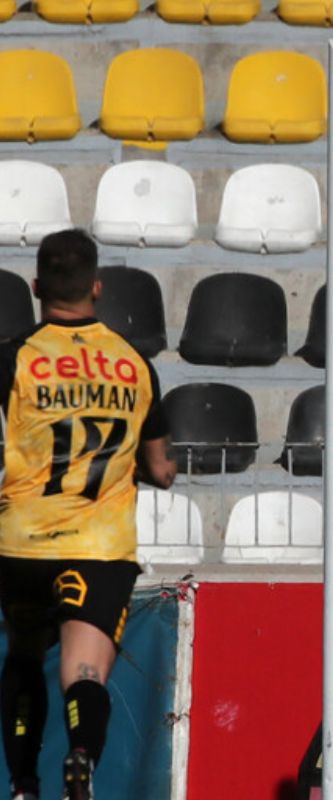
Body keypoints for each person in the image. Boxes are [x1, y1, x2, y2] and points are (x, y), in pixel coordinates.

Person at [0, 228, 177, 800]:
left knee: (26, 652)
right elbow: (162, 470)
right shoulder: (134, 363)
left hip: (21, 541)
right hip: (99, 545)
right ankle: (81, 755)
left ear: (35, 287)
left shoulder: (14, 358)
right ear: (97, 288)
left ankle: (24, 783)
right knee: (84, 671)